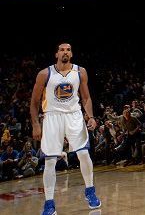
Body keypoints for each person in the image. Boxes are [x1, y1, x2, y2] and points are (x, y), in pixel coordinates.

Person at [30, 43, 102, 214]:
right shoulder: (44, 74)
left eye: (68, 49)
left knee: (83, 153)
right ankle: (49, 204)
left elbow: (86, 98)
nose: (65, 52)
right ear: (56, 54)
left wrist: (90, 116)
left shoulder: (80, 71)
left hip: (74, 115)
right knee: (50, 161)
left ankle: (90, 191)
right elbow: (34, 102)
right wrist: (35, 124)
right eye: (62, 49)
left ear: (72, 54)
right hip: (52, 117)